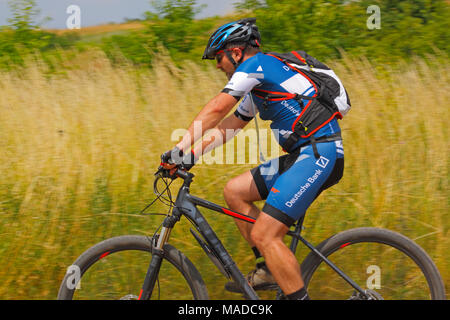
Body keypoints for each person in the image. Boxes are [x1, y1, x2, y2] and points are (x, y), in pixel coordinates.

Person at [160, 18, 346, 300]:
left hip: (318, 153)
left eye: (218, 57)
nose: (217, 65)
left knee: (266, 235)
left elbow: (217, 108)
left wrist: (180, 147)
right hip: (303, 155)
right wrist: (190, 156)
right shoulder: (258, 84)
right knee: (234, 192)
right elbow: (231, 124)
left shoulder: (256, 66)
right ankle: (268, 269)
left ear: (235, 52)